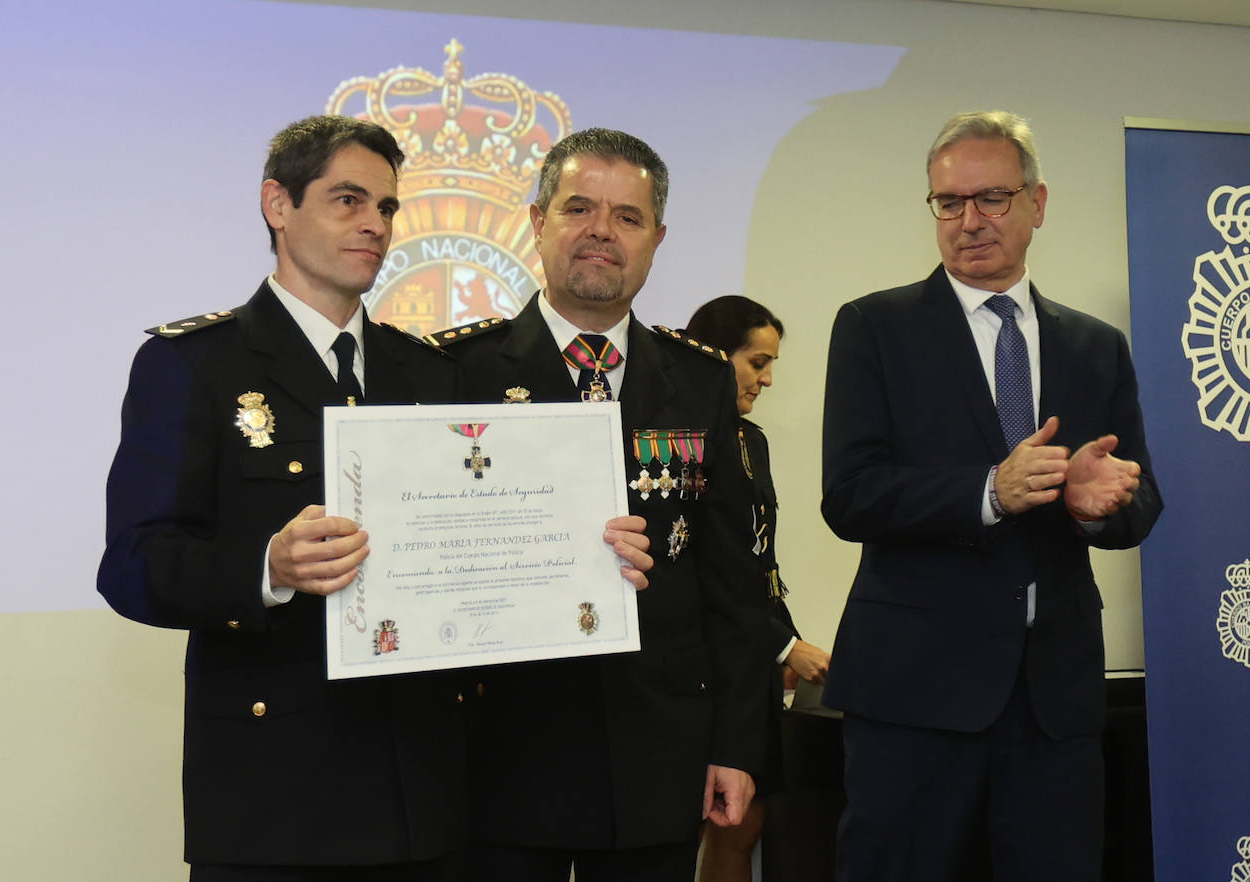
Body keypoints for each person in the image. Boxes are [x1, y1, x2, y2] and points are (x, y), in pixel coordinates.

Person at [96, 115, 652, 881]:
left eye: (387, 208)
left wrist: (588, 554)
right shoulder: (195, 365)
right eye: (348, 200)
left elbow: (490, 532)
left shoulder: (430, 373)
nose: (374, 225)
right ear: (277, 204)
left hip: (426, 795)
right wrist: (267, 565)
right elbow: (132, 566)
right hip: (274, 797)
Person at [820, 110, 1163, 882]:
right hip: (914, 697)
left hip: (1055, 704)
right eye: (949, 202)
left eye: (992, 199)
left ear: (1038, 203)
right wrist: (988, 492)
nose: (969, 221)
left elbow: (1140, 501)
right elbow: (850, 495)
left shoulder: (1094, 345)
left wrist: (1089, 505)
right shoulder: (875, 327)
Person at [425, 128, 770, 882]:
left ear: (657, 239)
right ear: (537, 220)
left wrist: (737, 746)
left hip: (661, 754)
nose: (600, 233)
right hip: (502, 755)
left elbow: (735, 589)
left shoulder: (700, 380)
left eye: (627, 217)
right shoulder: (455, 369)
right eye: (579, 208)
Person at [685, 295, 832, 882]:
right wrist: (783, 645)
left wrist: (787, 642)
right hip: (697, 669)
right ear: (715, 356)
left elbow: (758, 566)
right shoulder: (677, 442)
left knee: (743, 825)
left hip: (751, 671)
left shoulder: (753, 442)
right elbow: (698, 570)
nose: (767, 378)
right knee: (682, 831)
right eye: (756, 362)